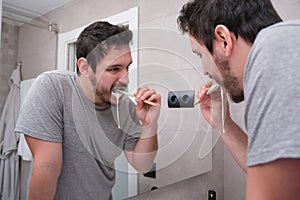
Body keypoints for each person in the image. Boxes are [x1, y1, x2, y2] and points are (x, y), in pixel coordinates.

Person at [15, 21, 161, 200]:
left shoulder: (126, 107)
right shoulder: (53, 88)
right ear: (85, 67)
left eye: (127, 67)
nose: (125, 79)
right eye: (114, 69)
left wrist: (149, 124)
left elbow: (143, 165)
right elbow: (48, 168)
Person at [178, 0, 300, 199]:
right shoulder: (286, 42)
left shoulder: (274, 51)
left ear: (223, 40)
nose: (205, 70)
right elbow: (274, 180)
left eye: (200, 55)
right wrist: (222, 124)